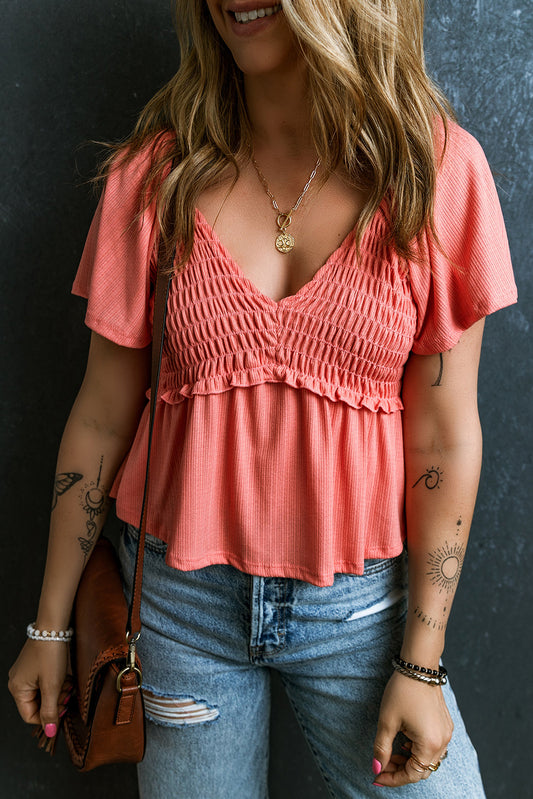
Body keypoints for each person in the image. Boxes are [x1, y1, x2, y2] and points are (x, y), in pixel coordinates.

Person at [9, 1, 517, 797]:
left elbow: (444, 438)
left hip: (361, 615)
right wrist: (49, 623)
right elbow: (102, 414)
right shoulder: (156, 174)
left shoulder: (435, 174)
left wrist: (420, 660)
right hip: (178, 611)